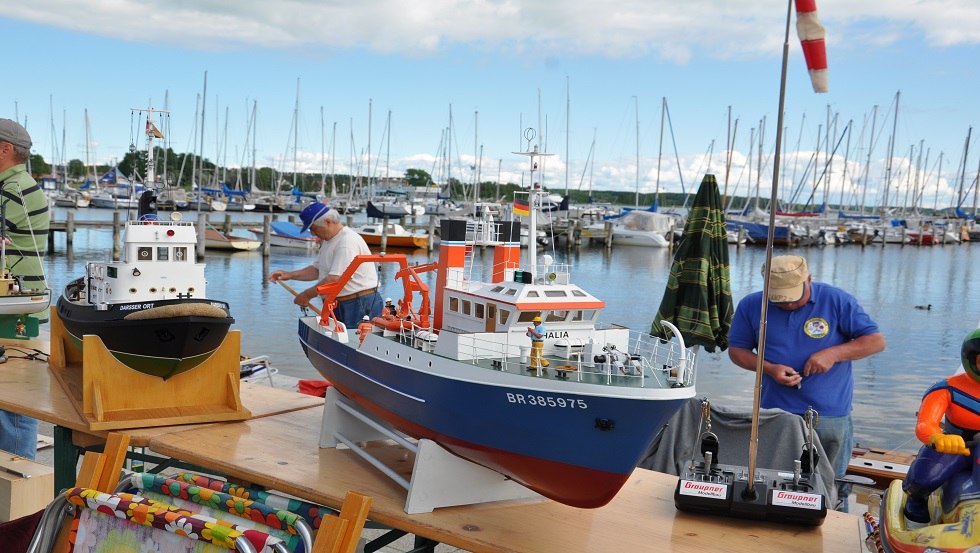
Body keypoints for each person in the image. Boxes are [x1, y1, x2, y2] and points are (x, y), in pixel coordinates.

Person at [728, 255, 884, 512]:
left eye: (792, 296)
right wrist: (770, 369)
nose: (787, 303)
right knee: (772, 481)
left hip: (830, 415)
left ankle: (833, 531)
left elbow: (875, 341)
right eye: (779, 298)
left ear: (808, 279)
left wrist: (832, 354)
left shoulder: (837, 300)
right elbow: (737, 351)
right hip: (775, 414)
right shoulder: (751, 305)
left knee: (831, 484)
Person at [0, 118, 49, 459]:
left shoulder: (11, 190)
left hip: (13, 307)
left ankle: (18, 483)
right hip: (17, 305)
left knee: (12, 406)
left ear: (4, 149)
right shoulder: (20, 185)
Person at [901, 329, 980, 527]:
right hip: (955, 446)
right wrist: (938, 438)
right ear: (972, 359)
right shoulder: (948, 388)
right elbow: (925, 423)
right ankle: (916, 509)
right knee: (923, 480)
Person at [270, 203, 383, 330]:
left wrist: (307, 295)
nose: (312, 233)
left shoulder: (346, 241)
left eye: (314, 228)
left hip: (358, 303)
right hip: (342, 303)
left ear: (328, 222)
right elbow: (317, 270)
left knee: (355, 345)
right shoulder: (329, 240)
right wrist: (289, 275)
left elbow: (335, 279)